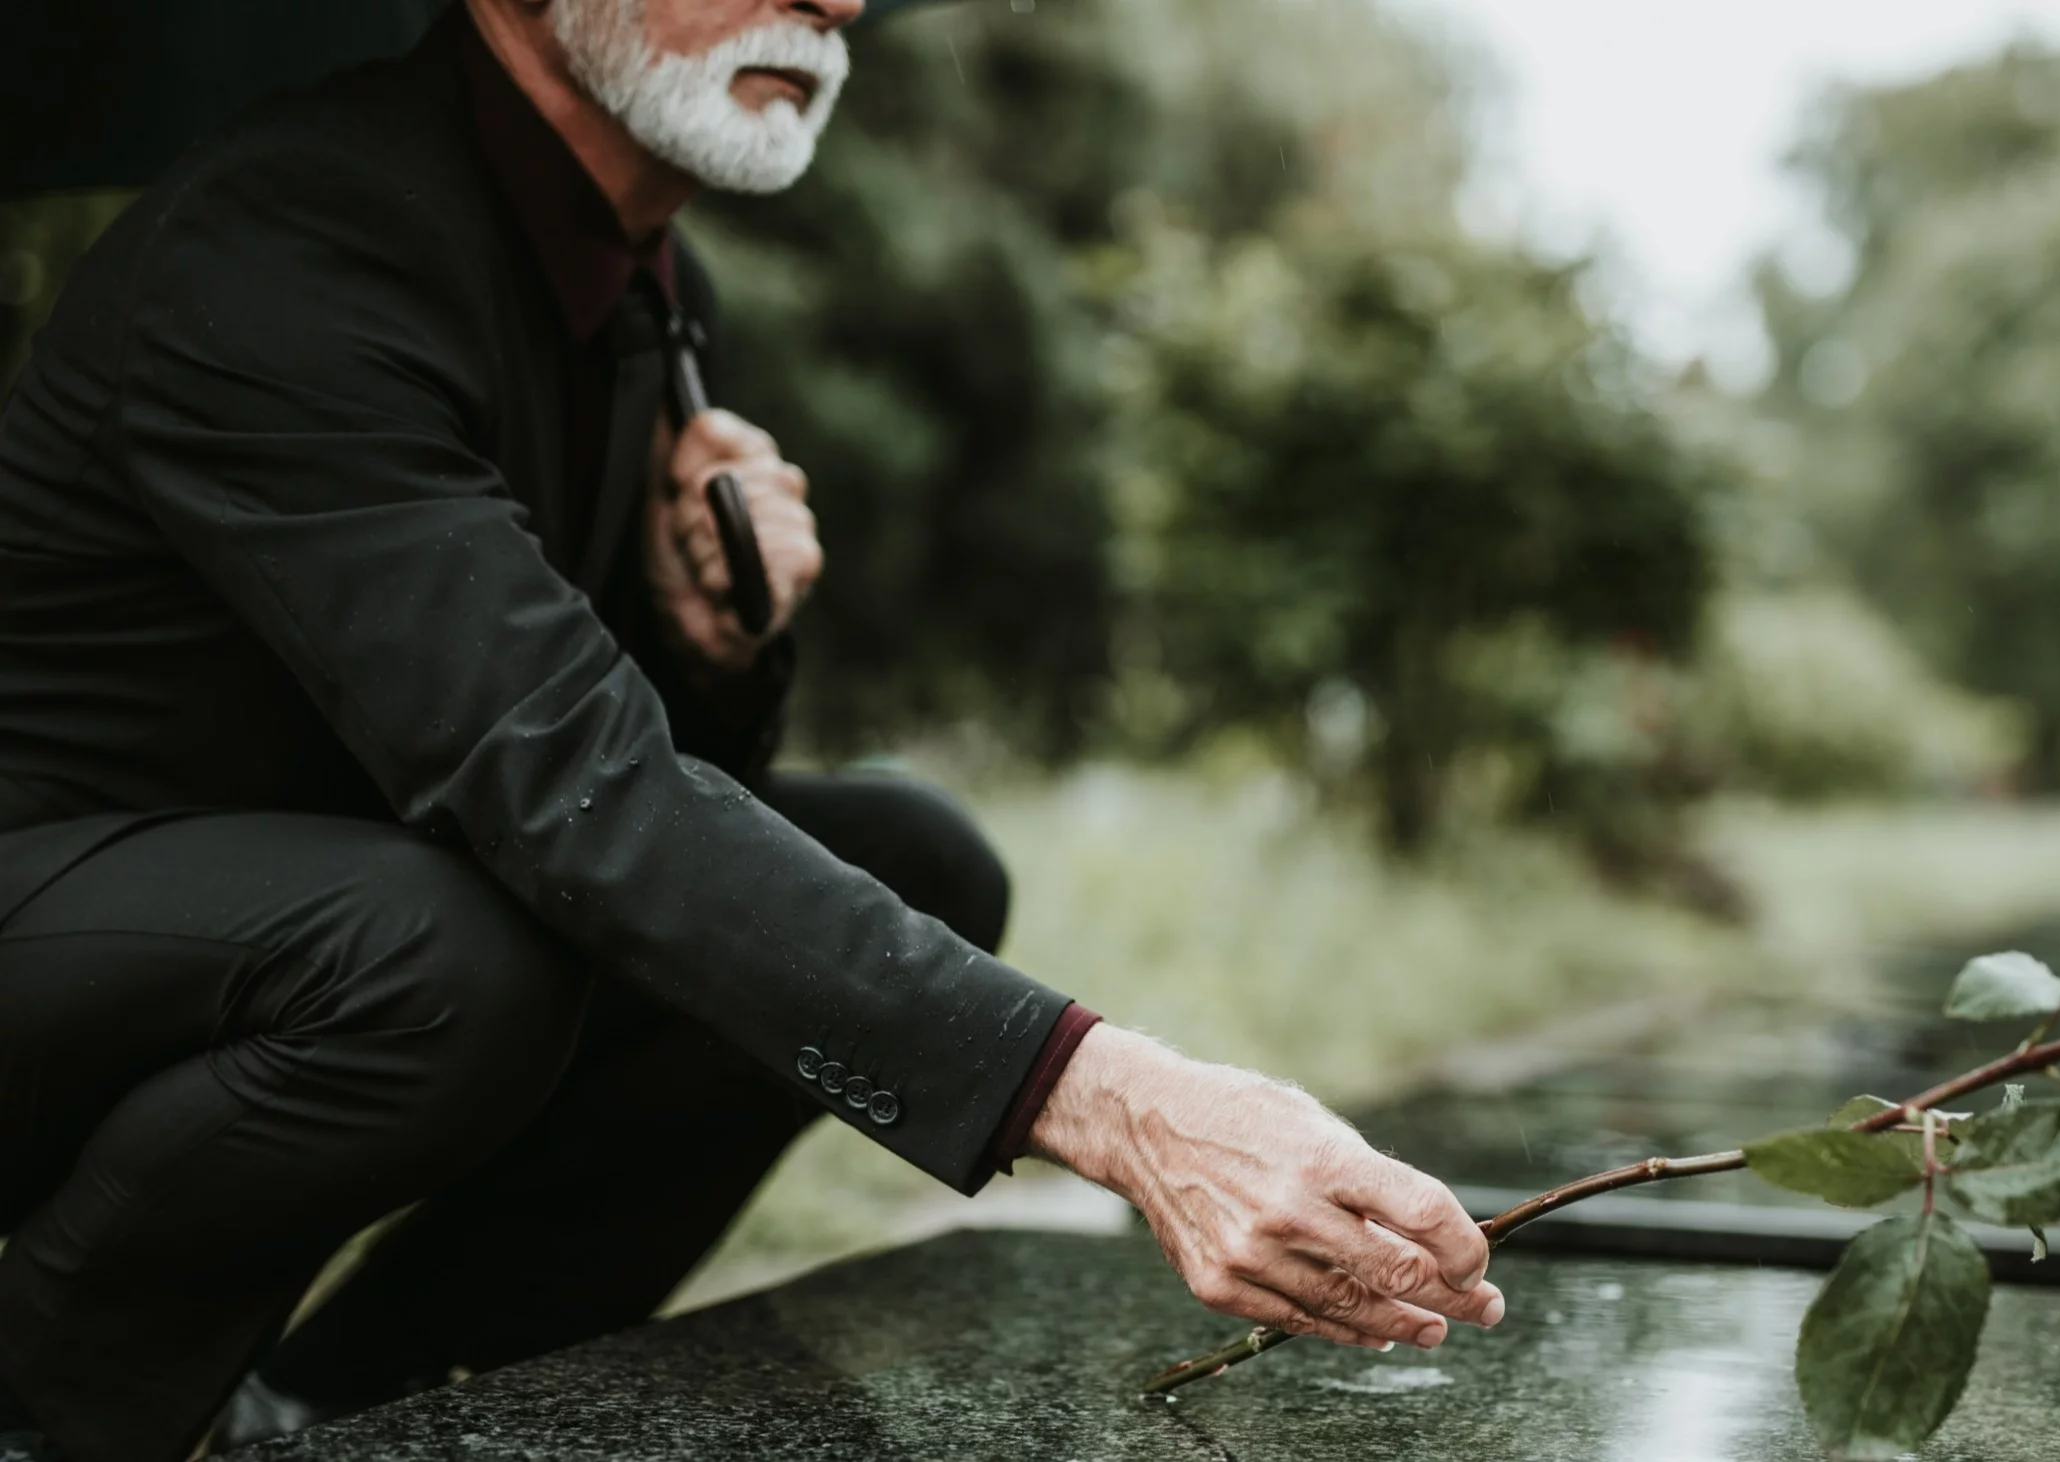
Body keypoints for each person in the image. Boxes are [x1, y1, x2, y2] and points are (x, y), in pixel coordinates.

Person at [0, 2, 1503, 1458]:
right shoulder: (287, 245)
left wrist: (711, 648)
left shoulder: (656, 298)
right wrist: (1108, 1097)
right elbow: (560, 785)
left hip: (335, 876)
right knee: (442, 953)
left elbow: (617, 781)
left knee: (914, 854)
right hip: (58, 904)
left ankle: (363, 1412)